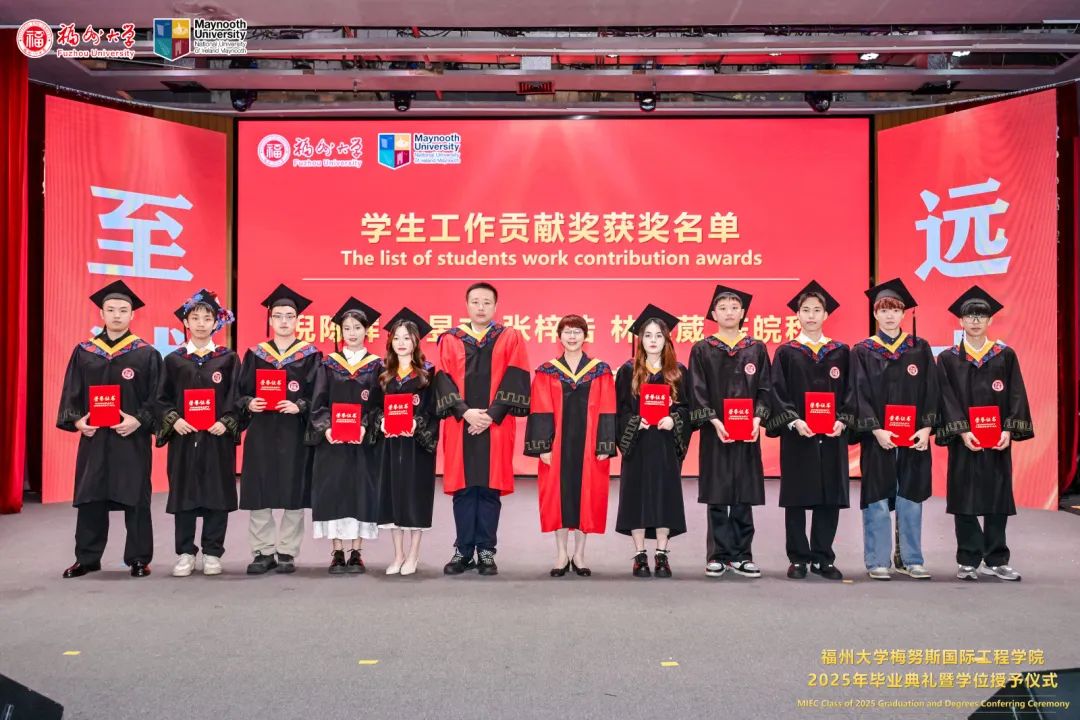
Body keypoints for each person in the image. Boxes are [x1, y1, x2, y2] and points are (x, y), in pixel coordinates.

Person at [57, 280, 162, 578]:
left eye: (123, 310)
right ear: (101, 314)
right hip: (95, 437)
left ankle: (139, 558)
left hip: (131, 438)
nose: (117, 315)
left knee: (136, 495)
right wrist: (77, 421)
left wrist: (138, 420)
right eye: (111, 310)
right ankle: (87, 557)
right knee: (91, 496)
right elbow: (72, 392)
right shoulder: (85, 352)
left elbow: (156, 397)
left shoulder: (145, 353)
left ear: (132, 315)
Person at [936, 286, 1033, 582]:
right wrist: (962, 431)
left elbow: (1016, 394)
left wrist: (1009, 429)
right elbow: (946, 397)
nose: (975, 321)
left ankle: (996, 558)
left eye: (981, 316)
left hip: (997, 440)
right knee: (963, 497)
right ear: (960, 321)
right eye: (970, 316)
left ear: (990, 321)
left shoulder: (1004, 355)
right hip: (964, 440)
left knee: (997, 497)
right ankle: (968, 559)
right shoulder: (948, 358)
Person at [434, 282, 531, 576]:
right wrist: (465, 412)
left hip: (495, 426)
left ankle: (487, 551)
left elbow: (516, 375)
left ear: (495, 306)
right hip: (460, 425)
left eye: (487, 302)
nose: (480, 307)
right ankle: (463, 550)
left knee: (489, 490)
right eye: (475, 301)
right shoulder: (450, 339)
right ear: (466, 305)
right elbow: (442, 378)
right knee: (463, 490)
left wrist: (491, 415)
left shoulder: (510, 337)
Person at [850, 278, 939, 581]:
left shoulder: (919, 348)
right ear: (875, 314)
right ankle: (877, 560)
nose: (889, 315)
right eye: (884, 310)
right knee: (876, 497)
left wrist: (926, 428)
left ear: (904, 313)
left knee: (911, 496)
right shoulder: (862, 350)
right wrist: (875, 429)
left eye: (895, 310)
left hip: (914, 438)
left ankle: (911, 559)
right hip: (878, 438)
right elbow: (858, 393)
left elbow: (931, 390)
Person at [766, 281, 855, 581]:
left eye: (817, 310)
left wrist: (842, 420)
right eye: (806, 310)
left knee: (829, 496)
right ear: (798, 315)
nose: (812, 315)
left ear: (826, 315)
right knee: (796, 497)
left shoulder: (840, 352)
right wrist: (794, 421)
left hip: (832, 436)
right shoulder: (787, 352)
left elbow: (851, 392)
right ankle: (798, 558)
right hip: (798, 436)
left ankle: (823, 557)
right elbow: (777, 392)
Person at [237, 284, 322, 575]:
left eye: (289, 316)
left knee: (292, 489)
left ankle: (287, 551)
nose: (284, 321)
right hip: (262, 430)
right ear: (270, 320)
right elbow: (240, 392)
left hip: (293, 431)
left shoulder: (310, 355)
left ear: (298, 320)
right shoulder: (255, 354)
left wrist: (300, 406)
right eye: (278, 316)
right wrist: (249, 402)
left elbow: (319, 395)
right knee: (259, 489)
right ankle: (262, 551)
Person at [688, 285, 771, 579]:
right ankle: (717, 555)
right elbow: (697, 389)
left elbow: (765, 388)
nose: (729, 312)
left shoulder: (756, 348)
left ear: (742, 312)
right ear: (714, 314)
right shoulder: (702, 349)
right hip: (717, 431)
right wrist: (713, 420)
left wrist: (758, 419)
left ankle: (742, 554)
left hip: (747, 431)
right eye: (723, 308)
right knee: (717, 491)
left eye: (734, 308)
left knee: (744, 491)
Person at [524, 314, 617, 577]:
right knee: (558, 497)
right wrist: (543, 445)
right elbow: (540, 408)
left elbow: (608, 408)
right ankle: (561, 554)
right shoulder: (547, 371)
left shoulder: (600, 371)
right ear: (559, 336)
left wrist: (605, 444)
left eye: (577, 331)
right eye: (567, 331)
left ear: (585, 336)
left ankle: (580, 555)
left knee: (587, 496)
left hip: (588, 447)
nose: (572, 336)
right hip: (558, 446)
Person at [156, 289, 240, 577]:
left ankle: (213, 552)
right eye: (195, 318)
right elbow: (161, 399)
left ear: (217, 323)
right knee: (184, 493)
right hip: (184, 438)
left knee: (217, 493)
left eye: (207, 318)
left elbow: (236, 396)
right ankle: (185, 553)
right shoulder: (174, 360)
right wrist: (174, 420)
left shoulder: (228, 359)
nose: (201, 323)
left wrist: (226, 421)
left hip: (217, 438)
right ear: (186, 322)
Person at [306, 297, 384, 575]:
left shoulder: (377, 366)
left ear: (366, 331)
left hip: (362, 443)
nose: (352, 333)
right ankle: (337, 551)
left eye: (357, 327)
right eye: (347, 328)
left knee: (361, 492)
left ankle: (356, 553)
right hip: (333, 443)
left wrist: (364, 425)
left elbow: (378, 405)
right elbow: (318, 402)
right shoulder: (328, 364)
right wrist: (327, 428)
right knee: (334, 492)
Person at [615, 304, 691, 578]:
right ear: (640, 339)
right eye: (648, 335)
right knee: (636, 495)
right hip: (638, 444)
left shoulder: (678, 371)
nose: (653, 340)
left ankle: (661, 553)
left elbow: (687, 408)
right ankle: (639, 555)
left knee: (664, 495)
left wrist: (674, 418)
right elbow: (620, 409)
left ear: (667, 339)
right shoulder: (628, 371)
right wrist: (635, 422)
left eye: (659, 335)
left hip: (665, 444)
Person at [370, 308, 439, 576]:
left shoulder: (427, 374)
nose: (401, 342)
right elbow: (374, 408)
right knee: (393, 496)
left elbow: (432, 411)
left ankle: (413, 554)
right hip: (389, 445)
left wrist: (416, 424)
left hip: (416, 447)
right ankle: (398, 554)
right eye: (396, 338)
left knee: (414, 497)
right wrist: (381, 422)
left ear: (415, 342)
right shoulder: (383, 374)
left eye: (406, 338)